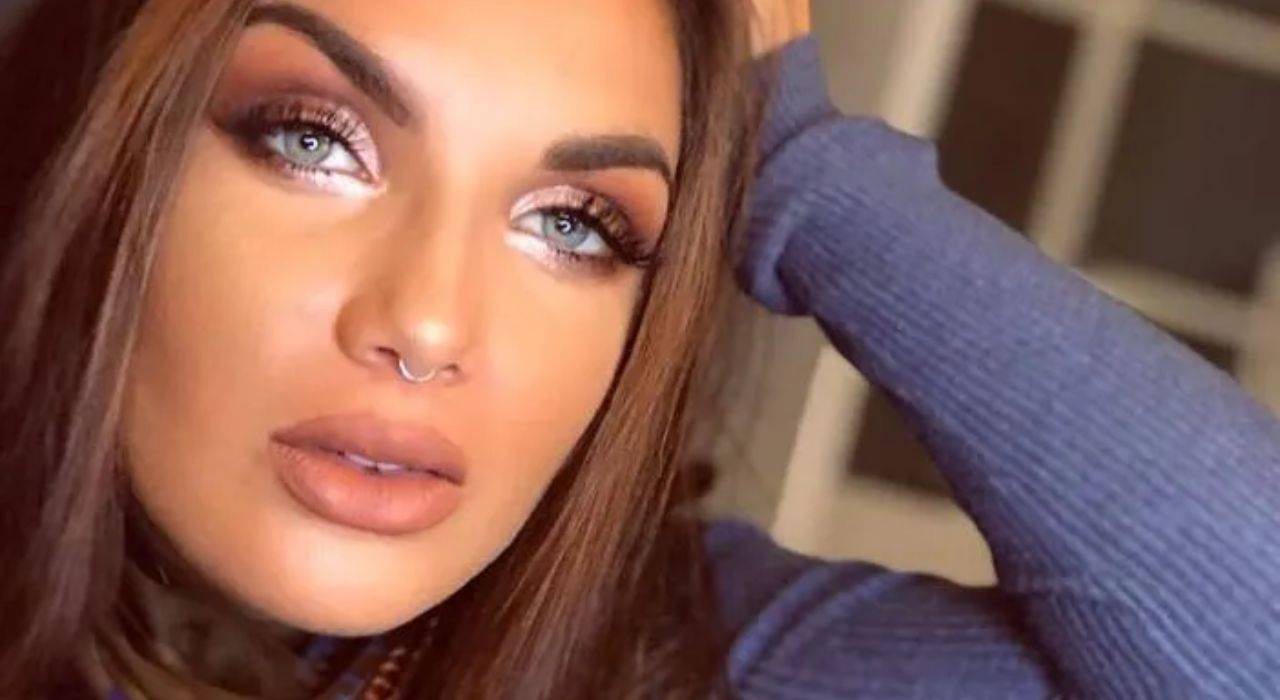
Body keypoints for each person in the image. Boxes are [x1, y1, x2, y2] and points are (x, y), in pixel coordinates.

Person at [0, 0, 1276, 698]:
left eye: (573, 224)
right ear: (97, 155)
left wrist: (799, 166)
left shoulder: (693, 659)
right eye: (313, 141)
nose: (430, 324)